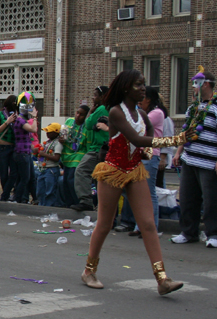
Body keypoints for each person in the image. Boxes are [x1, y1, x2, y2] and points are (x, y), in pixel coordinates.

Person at [81, 69, 192, 296]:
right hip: (112, 170)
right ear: (125, 88)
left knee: (148, 223)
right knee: (104, 223)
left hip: (134, 171)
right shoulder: (115, 112)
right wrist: (177, 139)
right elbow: (136, 138)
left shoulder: (141, 114)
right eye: (138, 85)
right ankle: (88, 271)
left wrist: (148, 152)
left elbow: (147, 136)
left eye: (143, 85)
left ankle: (162, 279)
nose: (143, 88)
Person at [171, 68, 217, 248]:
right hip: (190, 160)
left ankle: (213, 233)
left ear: (205, 84)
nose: (193, 88)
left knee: (211, 200)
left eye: (195, 84)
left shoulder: (216, 107)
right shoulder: (193, 108)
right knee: (188, 198)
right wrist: (178, 152)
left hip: (208, 162)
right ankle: (188, 232)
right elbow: (185, 132)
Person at [123, 86, 164, 237]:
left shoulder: (156, 113)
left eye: (142, 98)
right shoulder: (144, 112)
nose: (140, 101)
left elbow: (136, 126)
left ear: (149, 99)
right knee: (137, 192)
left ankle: (151, 227)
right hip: (138, 155)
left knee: (148, 192)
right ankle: (139, 225)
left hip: (150, 155)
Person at [71, 86, 110, 211]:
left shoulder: (102, 108)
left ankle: (86, 201)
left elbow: (87, 124)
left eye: (95, 95)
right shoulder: (108, 108)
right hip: (103, 147)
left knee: (81, 171)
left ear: (102, 96)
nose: (93, 98)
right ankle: (102, 205)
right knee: (100, 178)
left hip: (98, 148)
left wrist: (91, 111)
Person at [0, 92, 37, 203]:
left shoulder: (19, 119)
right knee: (24, 178)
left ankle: (33, 198)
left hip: (25, 152)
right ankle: (17, 198)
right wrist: (34, 117)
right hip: (22, 152)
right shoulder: (20, 120)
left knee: (29, 177)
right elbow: (33, 129)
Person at [59, 104, 88, 207]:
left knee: (72, 180)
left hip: (78, 155)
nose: (78, 116)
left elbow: (86, 144)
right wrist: (61, 138)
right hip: (67, 155)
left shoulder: (86, 126)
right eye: (77, 113)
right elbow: (63, 135)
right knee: (65, 181)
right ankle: (69, 204)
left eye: (81, 114)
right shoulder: (69, 122)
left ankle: (77, 202)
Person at [35, 123, 63, 207]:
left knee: (50, 191)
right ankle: (41, 205)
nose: (47, 133)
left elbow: (56, 158)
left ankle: (49, 208)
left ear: (56, 132)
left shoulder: (58, 143)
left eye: (49, 131)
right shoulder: (47, 142)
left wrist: (44, 154)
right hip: (43, 169)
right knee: (40, 190)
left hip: (51, 170)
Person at [0, 95, 18, 195]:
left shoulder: (18, 115)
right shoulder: (0, 114)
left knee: (14, 173)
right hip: (2, 147)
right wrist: (7, 122)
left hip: (14, 147)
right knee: (3, 174)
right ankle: (5, 194)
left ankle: (7, 193)